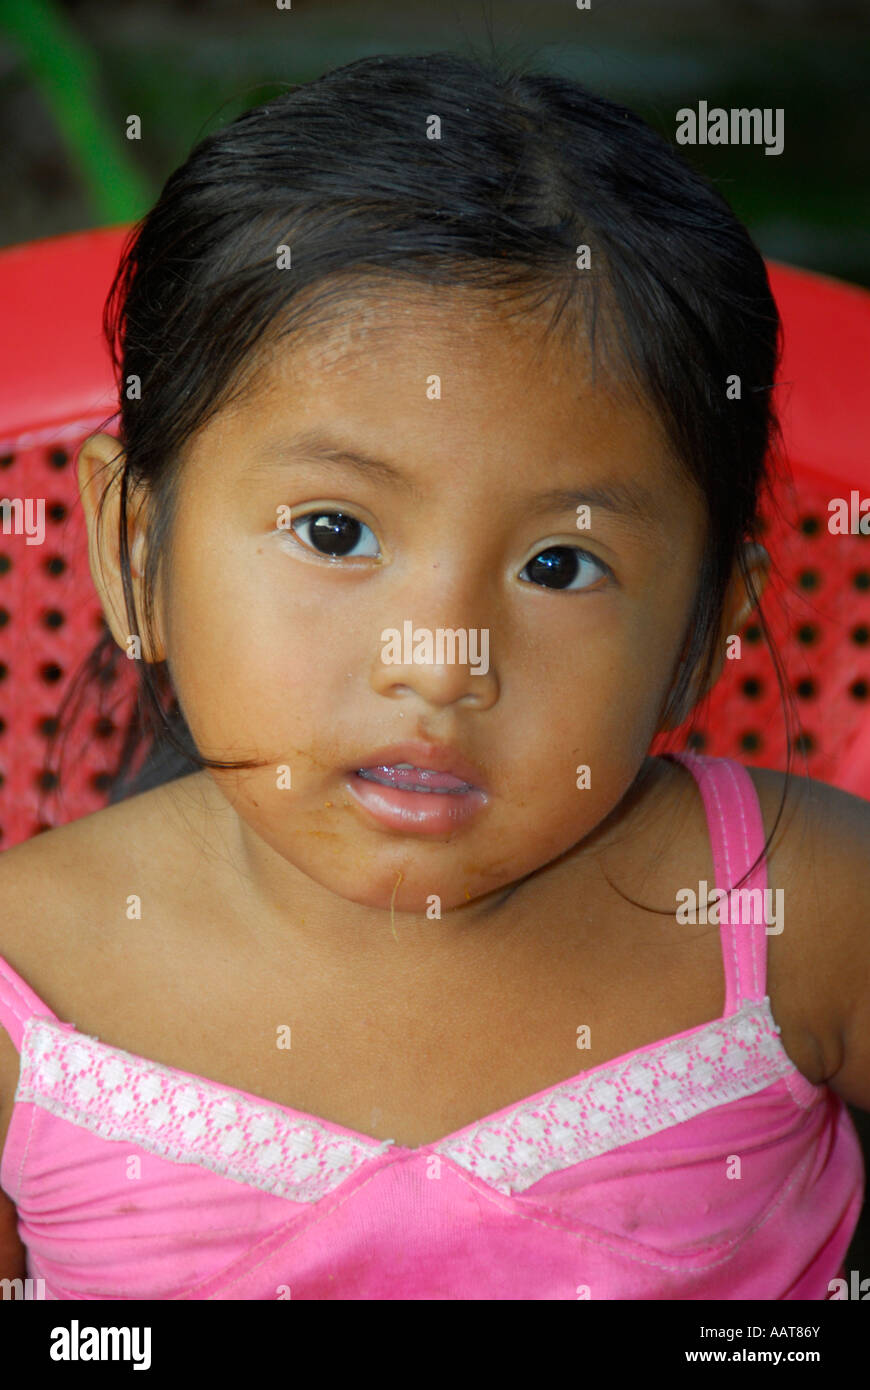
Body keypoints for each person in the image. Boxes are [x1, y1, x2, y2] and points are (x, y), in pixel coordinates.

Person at [0, 49, 866, 1301]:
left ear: (701, 630)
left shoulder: (800, 916)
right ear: (138, 550)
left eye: (562, 564)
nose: (438, 663)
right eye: (335, 532)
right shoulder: (35, 981)